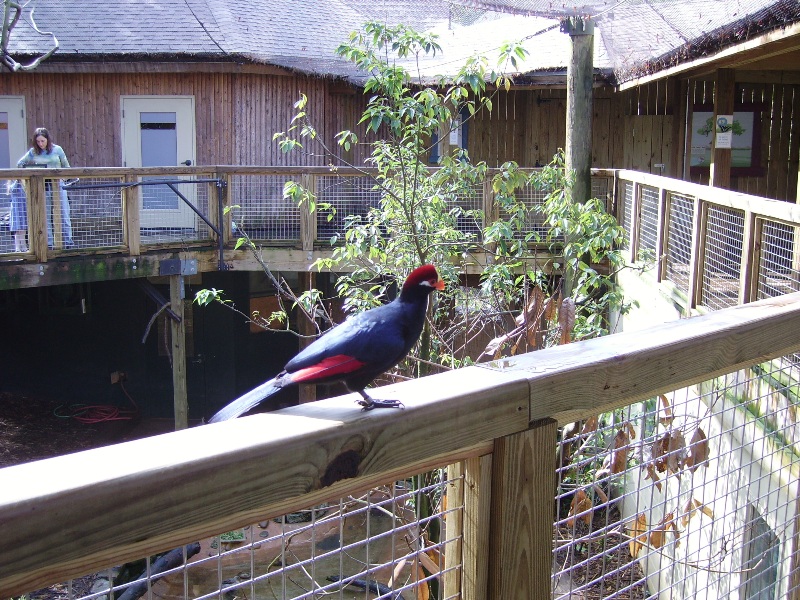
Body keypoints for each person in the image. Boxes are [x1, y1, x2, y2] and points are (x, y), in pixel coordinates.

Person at [17, 127, 74, 248]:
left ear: (47, 139)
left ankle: (68, 241)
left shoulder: (57, 150)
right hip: (43, 185)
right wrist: (31, 172)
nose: (40, 144)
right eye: (38, 141)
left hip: (58, 185)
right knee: (46, 214)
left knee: (64, 212)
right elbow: (20, 163)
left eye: (42, 141)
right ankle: (49, 243)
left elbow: (67, 167)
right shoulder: (33, 152)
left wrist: (63, 178)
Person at [8, 179, 28, 252]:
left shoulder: (23, 185)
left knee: (23, 229)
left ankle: (24, 246)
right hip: (16, 209)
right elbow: (13, 189)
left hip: (23, 208)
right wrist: (17, 180)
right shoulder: (12, 184)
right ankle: (18, 248)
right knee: (17, 230)